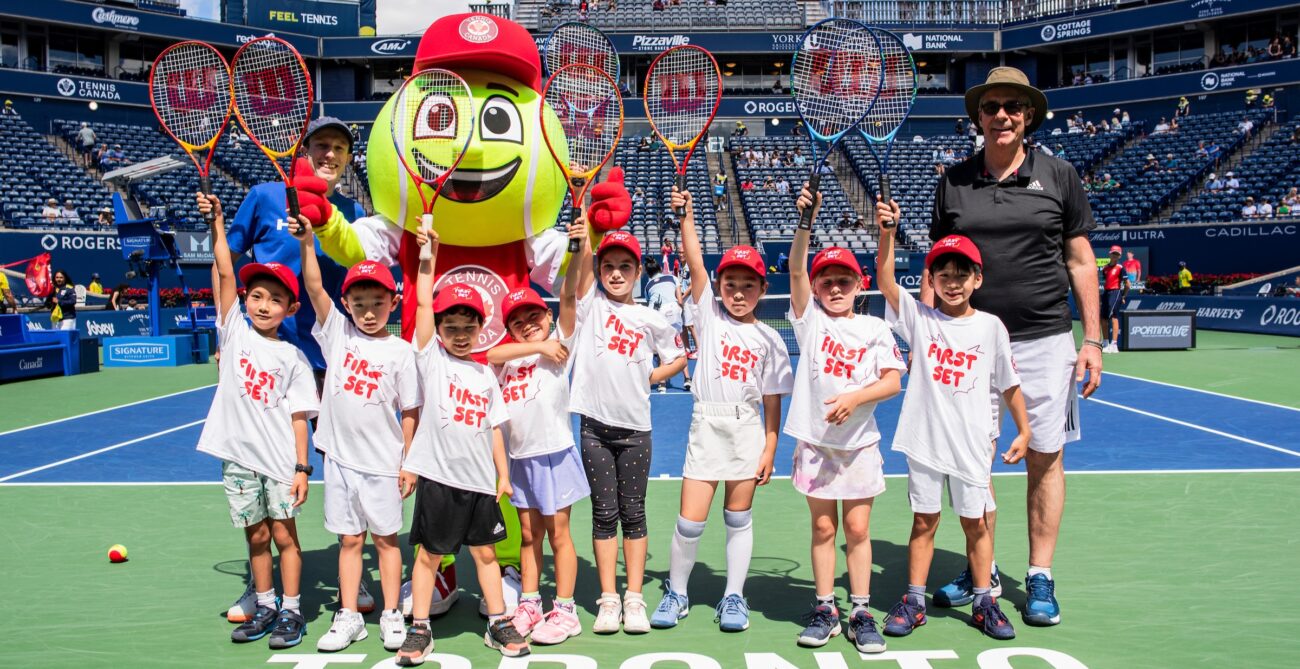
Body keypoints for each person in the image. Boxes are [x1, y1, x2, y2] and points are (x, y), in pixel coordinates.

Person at [929, 67, 1102, 627]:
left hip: (1044, 340)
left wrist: (1092, 338)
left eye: (1013, 107)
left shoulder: (1059, 175)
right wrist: (929, 336)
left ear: (1028, 116)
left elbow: (1080, 261)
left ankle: (1040, 574)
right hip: (967, 342)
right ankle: (986, 572)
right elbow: (937, 269)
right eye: (992, 106)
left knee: (1044, 458)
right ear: (978, 117)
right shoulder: (953, 181)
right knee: (967, 462)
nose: (1002, 115)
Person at [220, 117, 379, 621]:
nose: (330, 154)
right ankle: (260, 587)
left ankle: (352, 573)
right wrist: (225, 335)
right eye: (321, 146)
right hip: (270, 354)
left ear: (348, 158)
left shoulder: (349, 212)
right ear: (303, 150)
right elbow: (230, 262)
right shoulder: (265, 195)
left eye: (339, 149)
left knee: (346, 464)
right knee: (265, 469)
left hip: (332, 356)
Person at [873, 204, 1028, 641]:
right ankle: (915, 600)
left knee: (975, 524)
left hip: (972, 444)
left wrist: (1025, 429)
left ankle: (984, 601)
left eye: (962, 274)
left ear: (978, 279)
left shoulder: (991, 327)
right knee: (924, 521)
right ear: (932, 281)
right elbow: (885, 281)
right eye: (944, 275)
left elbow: (1009, 383)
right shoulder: (921, 321)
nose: (953, 282)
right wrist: (889, 233)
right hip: (926, 442)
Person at [650, 187, 793, 633]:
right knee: (689, 522)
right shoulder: (707, 315)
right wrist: (687, 216)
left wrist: (770, 447)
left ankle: (734, 595)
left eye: (748, 284)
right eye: (730, 283)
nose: (737, 291)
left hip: (747, 428)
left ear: (762, 289)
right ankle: (677, 592)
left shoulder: (770, 340)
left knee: (737, 517)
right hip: (706, 424)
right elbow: (695, 263)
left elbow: (772, 401)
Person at [289, 220, 422, 653]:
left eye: (377, 302)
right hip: (341, 463)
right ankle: (349, 616)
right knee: (349, 541)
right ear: (345, 303)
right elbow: (313, 288)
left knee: (385, 541)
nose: (368, 311)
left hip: (383, 464)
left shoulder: (401, 352)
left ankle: (389, 614)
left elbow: (410, 412)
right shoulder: (338, 335)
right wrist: (308, 243)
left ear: (393, 303)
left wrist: (407, 463)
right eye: (359, 302)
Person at [193, 194, 318, 650]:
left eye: (276, 300)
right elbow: (226, 271)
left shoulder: (294, 358)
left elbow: (300, 417)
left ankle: (291, 609)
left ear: (290, 308)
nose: (264, 305)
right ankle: (264, 603)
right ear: (245, 300)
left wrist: (303, 468)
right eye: (258, 296)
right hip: (239, 460)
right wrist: (220, 224)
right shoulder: (234, 329)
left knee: (286, 535)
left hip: (281, 462)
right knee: (257, 536)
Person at [397, 236, 529, 662]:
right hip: (440, 480)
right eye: (450, 328)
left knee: (486, 554)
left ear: (479, 330)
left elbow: (493, 429)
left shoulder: (484, 374)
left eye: (468, 328)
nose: (459, 335)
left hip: (479, 484)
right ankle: (419, 628)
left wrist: (503, 474)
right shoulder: (430, 360)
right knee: (430, 556)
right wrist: (426, 259)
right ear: (438, 330)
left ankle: (497, 621)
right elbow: (420, 305)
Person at [787, 185, 905, 653]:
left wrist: (856, 397)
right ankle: (824, 608)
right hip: (816, 443)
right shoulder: (809, 321)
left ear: (859, 286)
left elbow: (893, 381)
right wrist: (804, 222)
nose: (835, 288)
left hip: (859, 445)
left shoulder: (875, 328)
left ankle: (859, 610)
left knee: (857, 530)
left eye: (844, 281)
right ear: (815, 288)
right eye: (826, 281)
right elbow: (796, 265)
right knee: (822, 529)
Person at [568, 230, 686, 634]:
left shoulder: (650, 318)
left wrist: (649, 376)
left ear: (638, 272)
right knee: (604, 515)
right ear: (598, 271)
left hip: (636, 430)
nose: (615, 274)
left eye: (624, 267)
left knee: (633, 513)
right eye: (608, 267)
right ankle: (609, 600)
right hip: (595, 430)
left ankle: (634, 599)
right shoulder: (592, 306)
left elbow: (680, 357)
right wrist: (584, 236)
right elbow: (580, 269)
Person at [490, 223, 590, 647]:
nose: (529, 324)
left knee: (558, 534)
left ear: (547, 318)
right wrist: (534, 346)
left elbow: (569, 293)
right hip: (520, 459)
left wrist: (579, 247)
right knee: (528, 535)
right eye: (518, 321)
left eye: (534, 316)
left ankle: (564, 609)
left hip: (554, 454)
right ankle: (530, 601)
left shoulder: (559, 349)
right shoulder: (511, 360)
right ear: (510, 329)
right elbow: (489, 353)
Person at [644, 257, 691, 392]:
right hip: (674, 311)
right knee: (679, 346)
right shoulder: (672, 278)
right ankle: (687, 379)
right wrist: (679, 310)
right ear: (660, 268)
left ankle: (662, 383)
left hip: (658, 314)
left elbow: (651, 304)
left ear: (648, 273)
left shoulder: (648, 286)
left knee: (661, 347)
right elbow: (680, 300)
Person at [1100, 246, 1130, 353]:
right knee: (1103, 318)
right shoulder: (1105, 268)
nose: (1115, 256)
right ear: (1109, 254)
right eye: (1113, 253)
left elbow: (1127, 284)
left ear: (1120, 256)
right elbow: (1106, 281)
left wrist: (1123, 296)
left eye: (1117, 254)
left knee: (1113, 317)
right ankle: (1105, 343)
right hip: (1106, 293)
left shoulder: (1121, 268)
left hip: (1116, 292)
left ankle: (1114, 345)